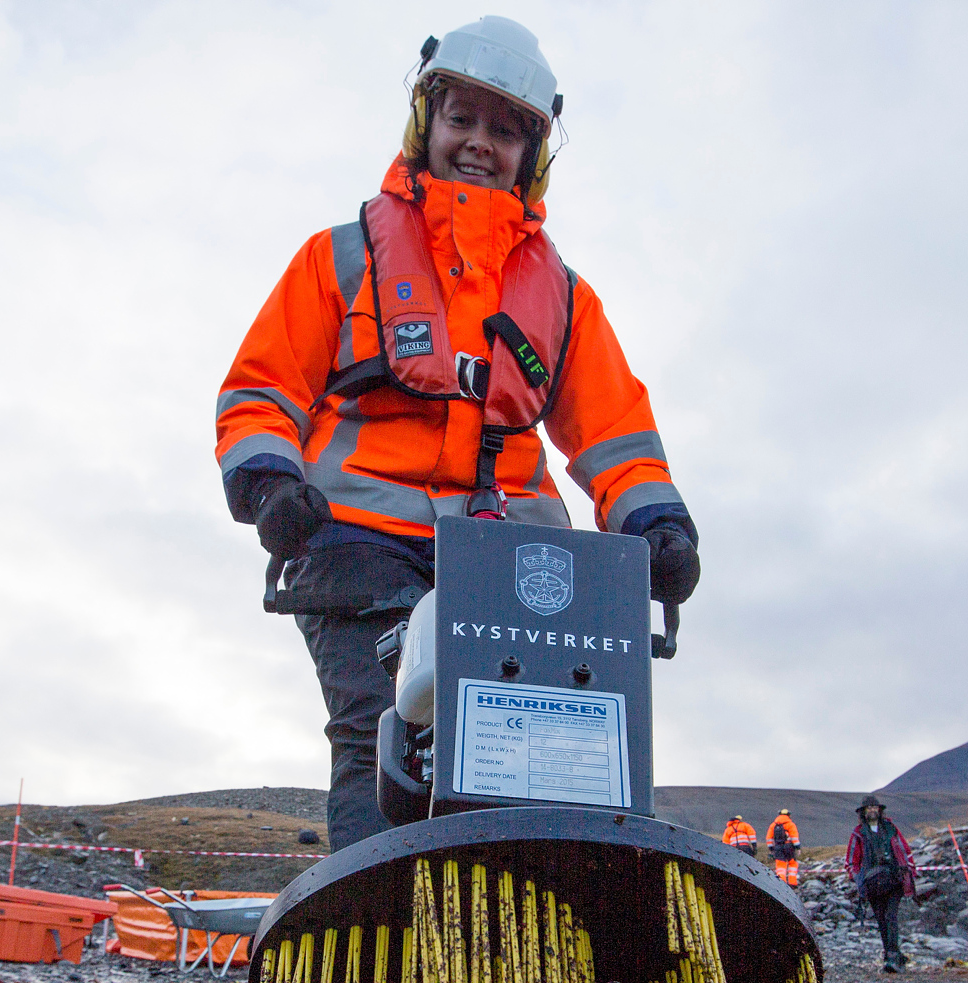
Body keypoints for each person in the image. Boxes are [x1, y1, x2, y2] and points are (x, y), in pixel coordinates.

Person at [214, 16, 701, 852]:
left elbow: (615, 429)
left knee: (548, 738)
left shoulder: (566, 298)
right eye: (462, 118)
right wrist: (268, 485)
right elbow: (262, 391)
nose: (480, 142)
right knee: (389, 722)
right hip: (358, 532)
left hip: (510, 543)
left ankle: (533, 929)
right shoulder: (338, 258)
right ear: (425, 122)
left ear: (532, 152)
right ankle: (381, 940)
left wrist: (656, 524)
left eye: (506, 129)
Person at [844, 793, 917, 973]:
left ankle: (893, 957)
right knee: (882, 920)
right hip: (873, 884)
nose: (872, 811)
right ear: (863, 812)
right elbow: (851, 860)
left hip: (894, 879)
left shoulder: (891, 828)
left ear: (880, 810)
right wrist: (856, 877)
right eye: (869, 808)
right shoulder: (858, 833)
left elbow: (904, 848)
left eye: (875, 807)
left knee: (891, 916)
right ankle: (892, 954)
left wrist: (910, 870)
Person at [768, 807, 801, 887]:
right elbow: (794, 837)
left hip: (778, 847)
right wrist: (797, 847)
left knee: (780, 866)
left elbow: (769, 838)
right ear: (788, 815)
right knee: (792, 863)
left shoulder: (773, 825)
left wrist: (771, 849)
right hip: (789, 846)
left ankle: (781, 883)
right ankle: (792, 883)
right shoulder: (790, 824)